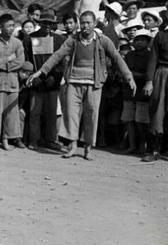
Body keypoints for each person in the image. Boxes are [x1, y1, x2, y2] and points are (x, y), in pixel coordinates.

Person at [28, 11, 135, 160]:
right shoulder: (73, 39)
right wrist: (40, 72)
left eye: (88, 23)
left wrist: (128, 76)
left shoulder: (103, 40)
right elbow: (57, 55)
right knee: (71, 114)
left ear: (94, 24)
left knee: (91, 116)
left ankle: (88, 148)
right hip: (73, 82)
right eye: (82, 22)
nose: (85, 26)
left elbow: (117, 58)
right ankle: (72, 146)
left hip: (94, 83)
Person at [22, 12, 66, 150]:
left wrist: (55, 77)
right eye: (45, 23)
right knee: (35, 113)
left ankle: (51, 140)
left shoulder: (59, 39)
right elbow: (27, 60)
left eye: (50, 23)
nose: (48, 26)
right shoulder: (30, 39)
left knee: (51, 113)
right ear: (39, 23)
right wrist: (31, 76)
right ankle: (34, 140)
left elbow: (62, 61)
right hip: (36, 82)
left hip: (53, 82)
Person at [0, 14, 25, 150]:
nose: (11, 28)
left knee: (11, 113)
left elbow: (20, 61)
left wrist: (4, 64)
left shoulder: (18, 43)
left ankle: (6, 138)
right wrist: (8, 59)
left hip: (12, 83)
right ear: (1, 27)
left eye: (12, 26)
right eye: (8, 26)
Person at [121, 30, 154, 154]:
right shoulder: (129, 55)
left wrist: (133, 74)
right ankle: (132, 145)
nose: (139, 42)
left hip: (142, 92)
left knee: (142, 121)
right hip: (129, 92)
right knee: (128, 120)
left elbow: (149, 74)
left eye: (143, 40)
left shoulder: (150, 56)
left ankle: (142, 144)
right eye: (137, 40)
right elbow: (123, 71)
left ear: (147, 41)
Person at [143, 13, 168, 162]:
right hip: (162, 73)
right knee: (157, 110)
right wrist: (149, 81)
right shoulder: (160, 35)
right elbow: (153, 59)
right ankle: (154, 149)